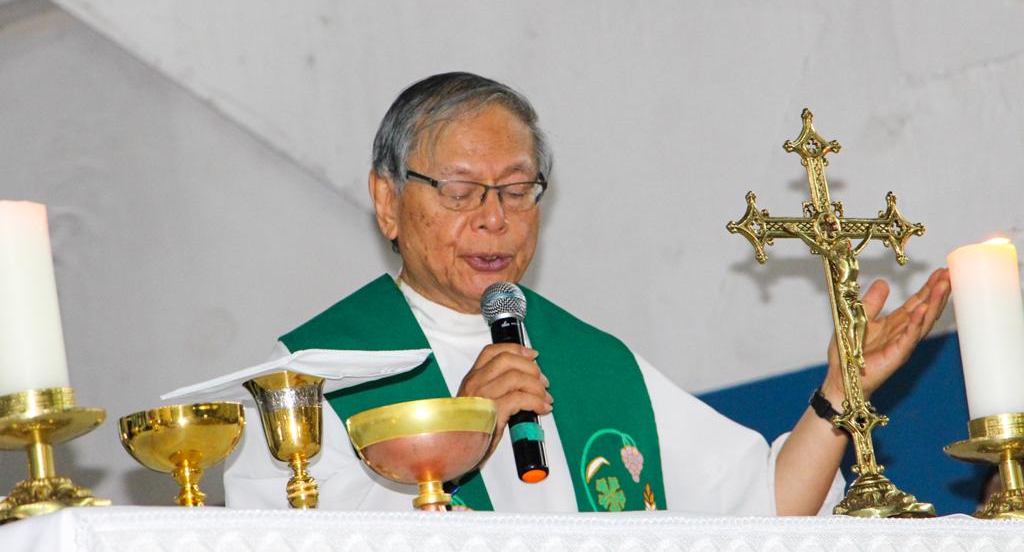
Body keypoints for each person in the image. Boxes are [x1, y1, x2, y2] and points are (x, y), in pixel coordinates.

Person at [224, 72, 950, 514]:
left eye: (517, 189)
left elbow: (762, 512)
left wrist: (838, 393)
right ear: (388, 201)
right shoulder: (309, 380)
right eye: (461, 191)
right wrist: (460, 435)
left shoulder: (595, 364)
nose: (495, 217)